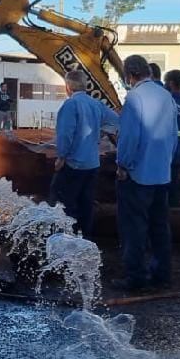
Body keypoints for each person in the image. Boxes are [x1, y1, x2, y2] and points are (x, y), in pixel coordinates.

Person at [114, 53, 177, 290]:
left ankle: (136, 277)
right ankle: (162, 274)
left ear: (130, 75)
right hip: (162, 173)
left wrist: (123, 164)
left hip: (137, 174)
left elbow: (129, 138)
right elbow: (173, 136)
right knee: (160, 226)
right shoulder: (166, 96)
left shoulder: (134, 98)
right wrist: (166, 162)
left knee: (134, 227)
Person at [50, 70, 119, 238]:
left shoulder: (70, 105)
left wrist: (61, 157)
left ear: (68, 86)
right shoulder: (95, 104)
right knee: (86, 204)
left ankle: (66, 240)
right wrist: (100, 132)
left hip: (74, 163)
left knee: (62, 203)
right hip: (92, 164)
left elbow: (66, 134)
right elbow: (116, 120)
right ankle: (85, 240)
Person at [164, 69, 180, 207]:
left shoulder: (168, 102)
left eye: (166, 81)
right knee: (174, 180)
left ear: (171, 83)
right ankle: (174, 207)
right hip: (178, 147)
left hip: (167, 147)